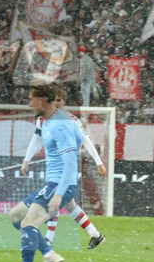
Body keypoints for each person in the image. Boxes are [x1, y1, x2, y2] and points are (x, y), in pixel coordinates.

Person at [0, 83, 84, 262]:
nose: (29, 104)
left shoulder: (59, 124)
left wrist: (58, 194)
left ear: (41, 101)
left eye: (31, 99)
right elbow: (80, 140)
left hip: (59, 185)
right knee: (16, 216)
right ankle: (49, 255)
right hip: (53, 183)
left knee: (29, 223)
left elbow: (71, 163)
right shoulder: (49, 121)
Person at [19, 86, 107, 249]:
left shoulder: (71, 120)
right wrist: (26, 159)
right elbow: (36, 139)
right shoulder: (42, 120)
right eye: (55, 100)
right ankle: (96, 235)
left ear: (64, 102)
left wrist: (99, 162)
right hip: (54, 169)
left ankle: (48, 239)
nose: (57, 103)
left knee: (55, 200)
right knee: (70, 205)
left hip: (66, 170)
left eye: (60, 100)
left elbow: (86, 141)